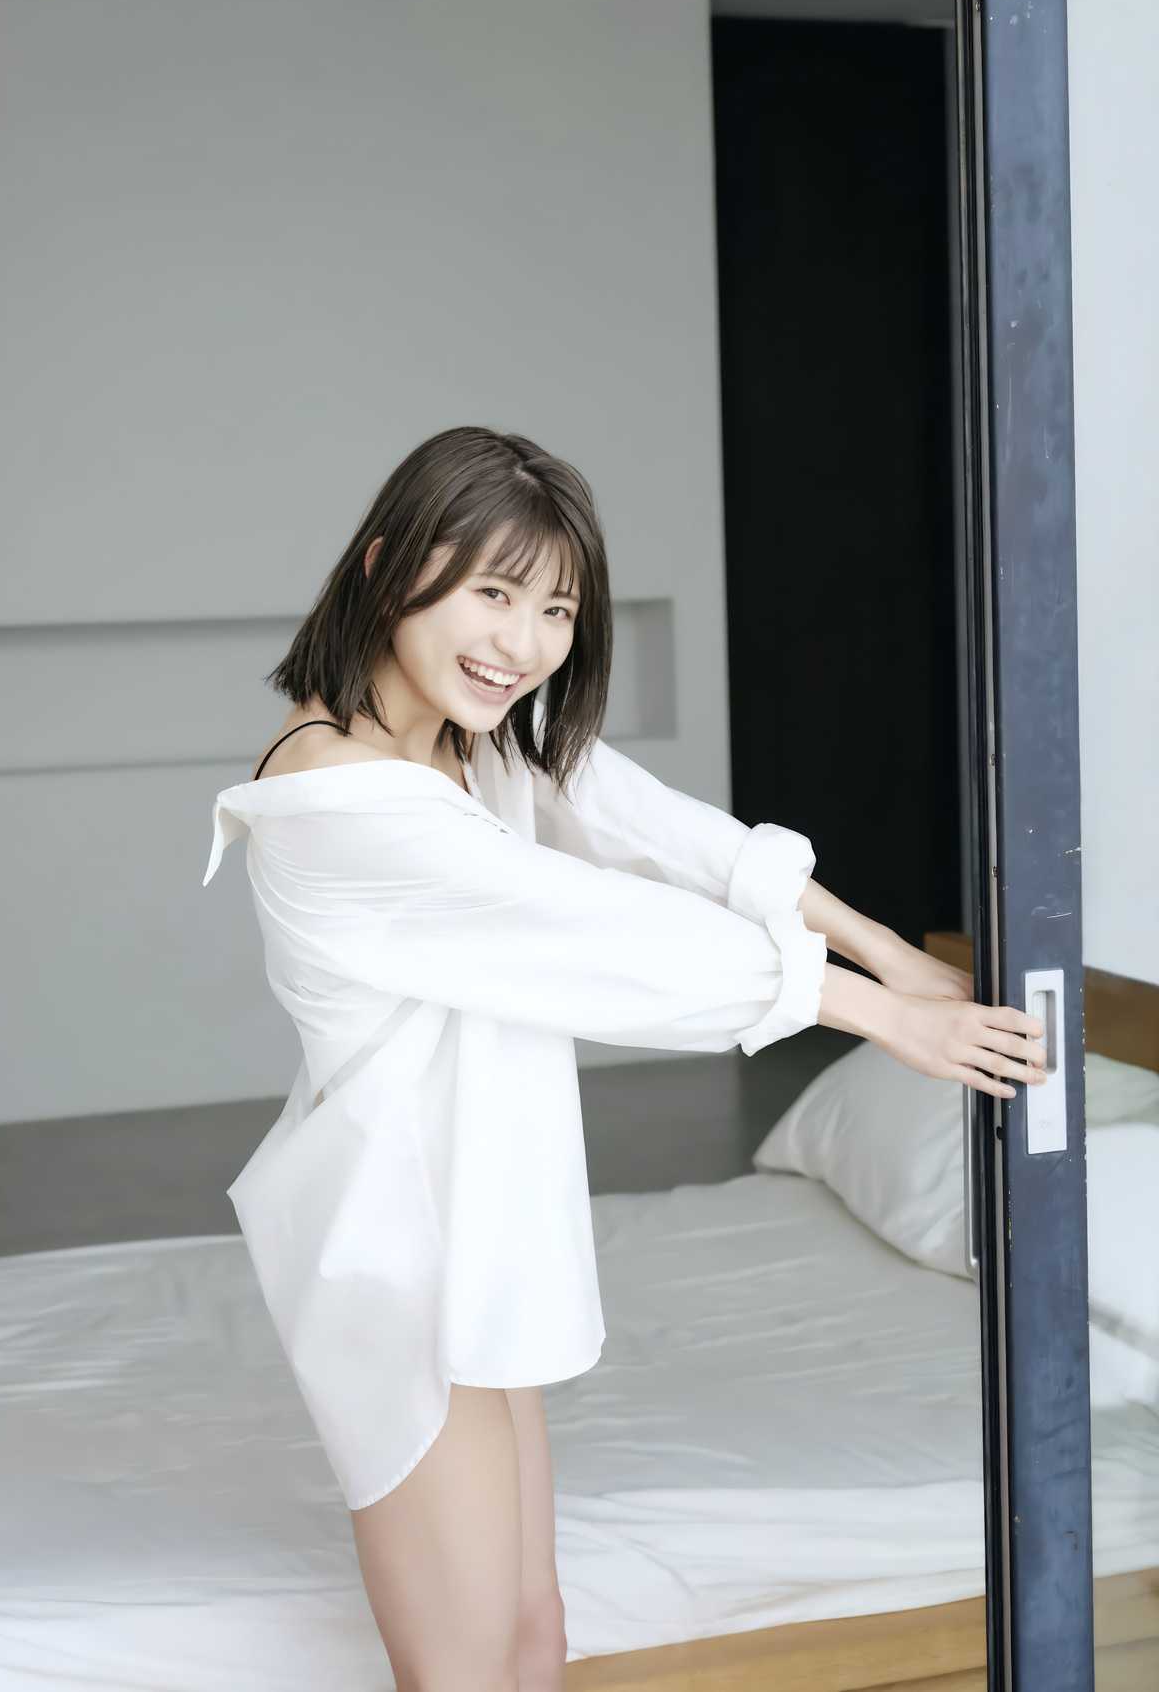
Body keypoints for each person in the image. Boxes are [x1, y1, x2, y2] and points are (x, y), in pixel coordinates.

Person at [202, 424, 1045, 1692]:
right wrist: (882, 1014)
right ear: (385, 567)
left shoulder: (470, 735)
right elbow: (612, 934)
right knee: (468, 1669)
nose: (523, 642)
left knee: (535, 1634)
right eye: (492, 593)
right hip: (398, 1259)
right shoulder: (341, 800)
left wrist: (886, 948)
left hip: (470, 1240)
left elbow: (660, 831)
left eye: (554, 608)